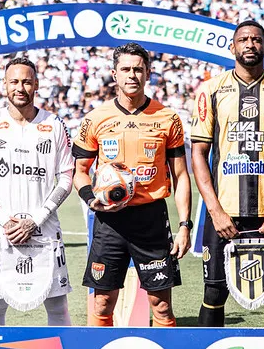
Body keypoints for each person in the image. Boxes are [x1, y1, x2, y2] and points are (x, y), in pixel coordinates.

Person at [191, 20, 264, 327]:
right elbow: (198, 153)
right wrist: (214, 211)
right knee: (214, 292)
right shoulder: (211, 90)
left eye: (256, 40)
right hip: (225, 212)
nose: (250, 44)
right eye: (243, 39)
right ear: (232, 47)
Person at [73, 42, 192, 328]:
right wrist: (91, 199)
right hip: (109, 221)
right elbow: (80, 171)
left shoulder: (168, 118)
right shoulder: (95, 118)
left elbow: (181, 175)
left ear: (148, 73)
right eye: (125, 69)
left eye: (138, 69)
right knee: (102, 303)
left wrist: (185, 225)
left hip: (151, 219)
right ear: (114, 74)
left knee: (161, 305)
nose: (132, 75)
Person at [0, 57, 74, 326]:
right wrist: (6, 221)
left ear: (36, 84)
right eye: (14, 81)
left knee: (58, 308)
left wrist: (36, 220)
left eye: (26, 82)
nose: (20, 87)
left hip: (44, 230)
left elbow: (66, 178)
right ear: (4, 84)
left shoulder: (55, 124)